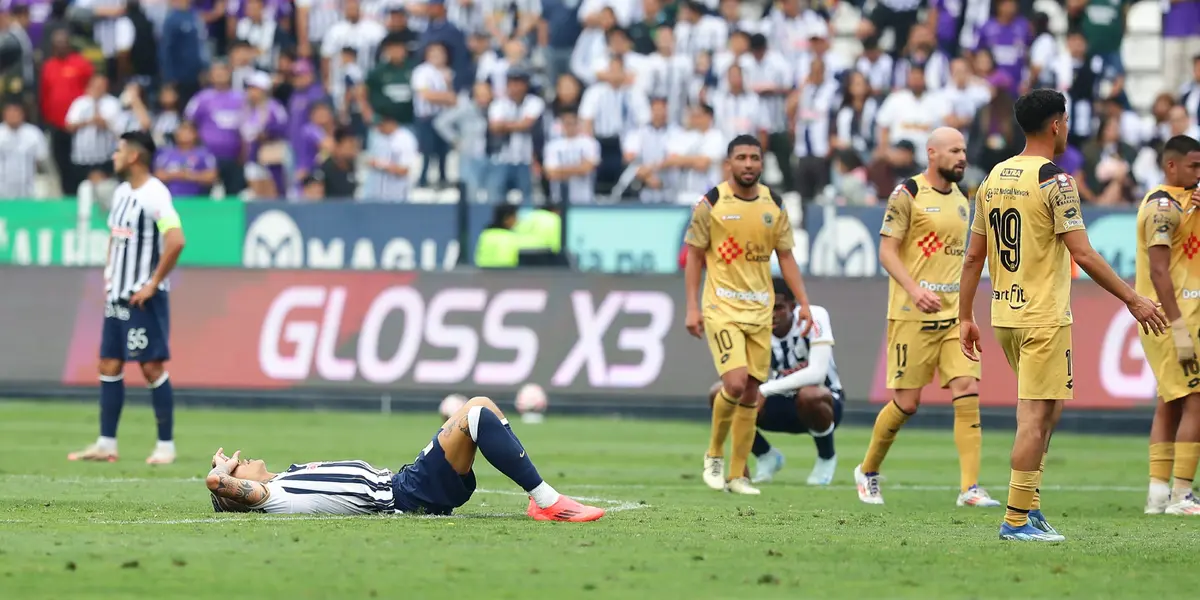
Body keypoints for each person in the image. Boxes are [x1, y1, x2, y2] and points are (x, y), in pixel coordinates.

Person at [958, 89, 1167, 542]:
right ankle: (1015, 520)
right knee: (1035, 418)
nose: (1067, 128)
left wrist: (965, 316)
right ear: (1056, 125)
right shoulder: (1056, 181)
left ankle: (1029, 508)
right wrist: (1133, 299)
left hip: (1005, 313)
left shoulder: (994, 177)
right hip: (1042, 316)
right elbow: (1083, 254)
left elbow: (974, 256)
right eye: (1066, 121)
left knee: (1048, 410)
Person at [855, 127, 999, 509]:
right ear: (932, 153)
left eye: (964, 150)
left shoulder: (963, 198)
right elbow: (887, 251)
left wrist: (966, 312)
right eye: (954, 150)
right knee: (907, 403)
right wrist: (915, 290)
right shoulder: (908, 194)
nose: (962, 157)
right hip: (911, 316)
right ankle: (867, 470)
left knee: (967, 387)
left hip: (952, 317)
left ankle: (970, 488)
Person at [205, 395, 605, 522]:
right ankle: (548, 501)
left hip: (405, 482)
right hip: (405, 494)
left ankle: (540, 499)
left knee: (482, 411)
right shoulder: (275, 496)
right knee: (477, 411)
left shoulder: (288, 476)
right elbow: (218, 484)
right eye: (239, 464)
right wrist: (222, 474)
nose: (243, 458)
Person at [684, 134, 813, 496]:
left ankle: (738, 475)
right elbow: (694, 256)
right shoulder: (711, 203)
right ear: (729, 164)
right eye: (741, 157)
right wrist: (692, 307)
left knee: (751, 394)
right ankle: (714, 454)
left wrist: (803, 302)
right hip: (722, 307)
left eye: (754, 158)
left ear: (761, 162)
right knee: (735, 383)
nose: (748, 164)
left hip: (760, 311)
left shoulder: (774, 204)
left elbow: (785, 256)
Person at [69, 131, 187, 465]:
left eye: (119, 150)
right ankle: (106, 443)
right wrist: (109, 274)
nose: (114, 156)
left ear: (134, 156)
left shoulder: (155, 194)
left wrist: (152, 283)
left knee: (151, 367)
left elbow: (176, 239)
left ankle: (165, 446)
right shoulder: (122, 192)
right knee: (108, 363)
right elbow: (115, 237)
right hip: (117, 296)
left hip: (142, 299)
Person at [709, 281, 843, 486]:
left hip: (824, 403)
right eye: (766, 307)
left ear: (792, 306)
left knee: (810, 395)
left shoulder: (814, 316)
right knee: (720, 393)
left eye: (778, 307)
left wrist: (765, 389)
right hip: (777, 401)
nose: (771, 315)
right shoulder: (752, 325)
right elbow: (740, 378)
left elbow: (817, 373)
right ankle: (766, 456)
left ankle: (826, 457)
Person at [1138, 135, 1200, 516]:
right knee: (1196, 400)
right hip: (1175, 318)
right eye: (1194, 166)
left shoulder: (1190, 203)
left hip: (1182, 317)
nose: (1199, 172)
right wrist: (1178, 327)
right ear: (1171, 166)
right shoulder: (1162, 207)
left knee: (1171, 401)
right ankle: (1182, 494)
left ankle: (1158, 495)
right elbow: (1158, 270)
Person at [475, 204, 522, 268]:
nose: (517, 220)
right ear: (506, 219)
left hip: (483, 272)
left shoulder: (485, 234)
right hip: (507, 272)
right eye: (515, 217)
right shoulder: (510, 237)